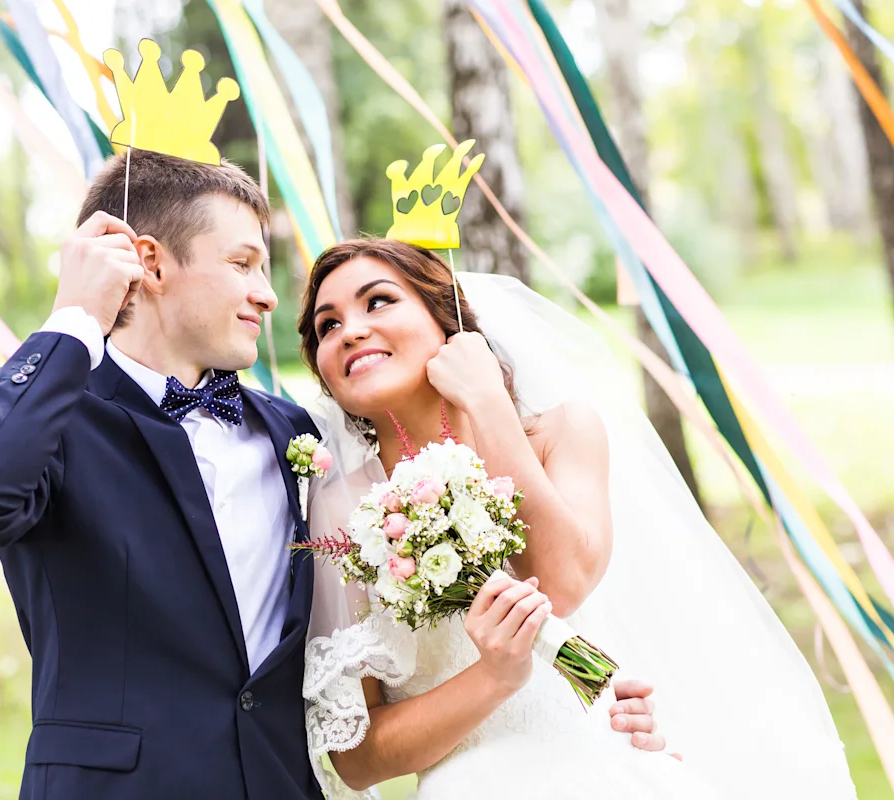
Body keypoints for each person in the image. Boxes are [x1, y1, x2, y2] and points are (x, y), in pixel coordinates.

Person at [0, 152, 666, 800]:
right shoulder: (50, 419)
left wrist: (602, 691)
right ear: (150, 264)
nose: (270, 294)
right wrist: (75, 319)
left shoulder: (296, 439)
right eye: (243, 263)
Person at [296, 238, 858, 799]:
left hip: (607, 767)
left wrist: (487, 401)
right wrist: (493, 677)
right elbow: (357, 759)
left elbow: (561, 584)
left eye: (378, 301)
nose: (350, 331)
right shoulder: (340, 509)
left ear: (447, 316)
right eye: (327, 325)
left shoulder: (562, 433)